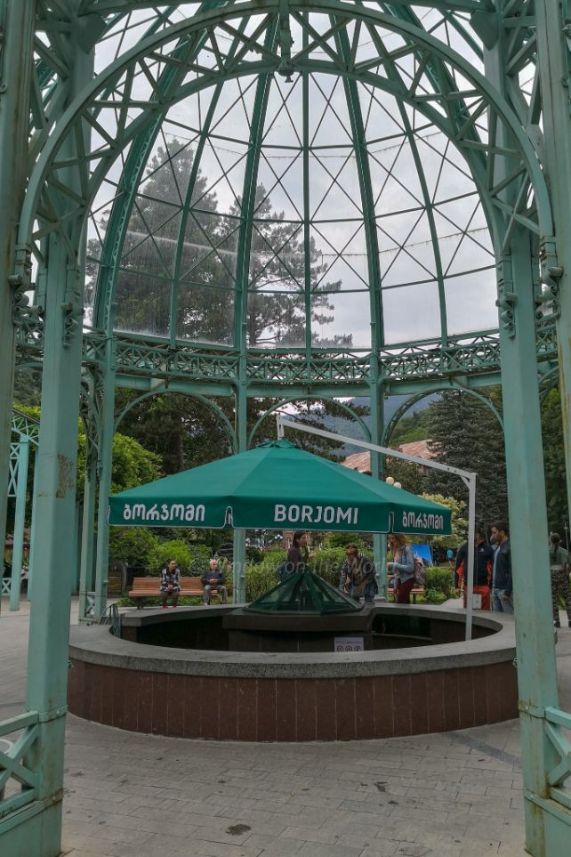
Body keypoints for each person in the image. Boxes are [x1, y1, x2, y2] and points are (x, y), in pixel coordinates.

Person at [455, 529, 494, 610]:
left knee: (484, 614)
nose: (470, 534)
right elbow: (458, 567)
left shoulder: (488, 549)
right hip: (468, 587)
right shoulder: (464, 548)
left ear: (478, 534)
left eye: (472, 532)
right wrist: (456, 586)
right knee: (469, 613)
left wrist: (491, 586)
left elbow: (493, 568)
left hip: (484, 587)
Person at [549, 532, 571, 628]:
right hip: (562, 575)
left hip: (552, 575)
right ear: (559, 540)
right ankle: (570, 620)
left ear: (551, 540)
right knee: (567, 597)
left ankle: (556, 621)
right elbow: (567, 565)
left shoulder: (548, 551)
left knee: (553, 599)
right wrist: (566, 575)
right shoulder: (564, 551)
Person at [490, 521, 513, 613]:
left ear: (502, 532)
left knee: (508, 618)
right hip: (495, 588)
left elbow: (513, 570)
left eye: (494, 533)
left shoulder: (509, 547)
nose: (492, 536)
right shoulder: (498, 547)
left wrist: (508, 591)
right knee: (496, 618)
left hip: (504, 590)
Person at [387, 534, 415, 604]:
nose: (391, 541)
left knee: (400, 602)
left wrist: (394, 564)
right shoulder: (395, 550)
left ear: (399, 538)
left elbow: (410, 568)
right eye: (389, 538)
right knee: (404, 603)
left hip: (407, 579)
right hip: (399, 580)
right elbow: (396, 572)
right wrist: (395, 586)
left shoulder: (406, 549)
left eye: (393, 538)